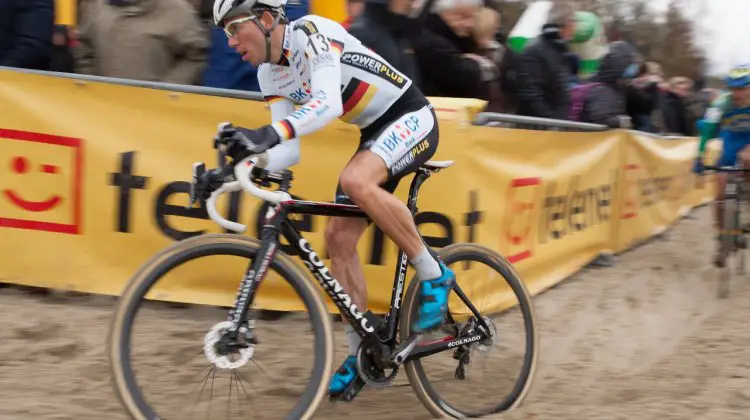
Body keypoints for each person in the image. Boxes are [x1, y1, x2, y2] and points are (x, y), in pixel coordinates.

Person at [210, 0, 455, 401]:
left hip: (411, 115)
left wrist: (267, 135)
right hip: (373, 132)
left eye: (236, 28)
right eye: (226, 32)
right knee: (338, 239)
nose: (231, 40)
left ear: (267, 19)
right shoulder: (269, 73)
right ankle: (363, 353)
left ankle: (435, 274)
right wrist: (230, 171)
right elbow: (287, 153)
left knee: (356, 180)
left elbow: (327, 104)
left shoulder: (312, 33)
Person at [693, 64, 750, 267]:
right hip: (730, 142)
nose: (738, 93)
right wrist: (699, 157)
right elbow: (707, 131)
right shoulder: (721, 103)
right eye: (734, 88)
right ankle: (722, 240)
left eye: (743, 88)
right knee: (719, 195)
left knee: (748, 157)